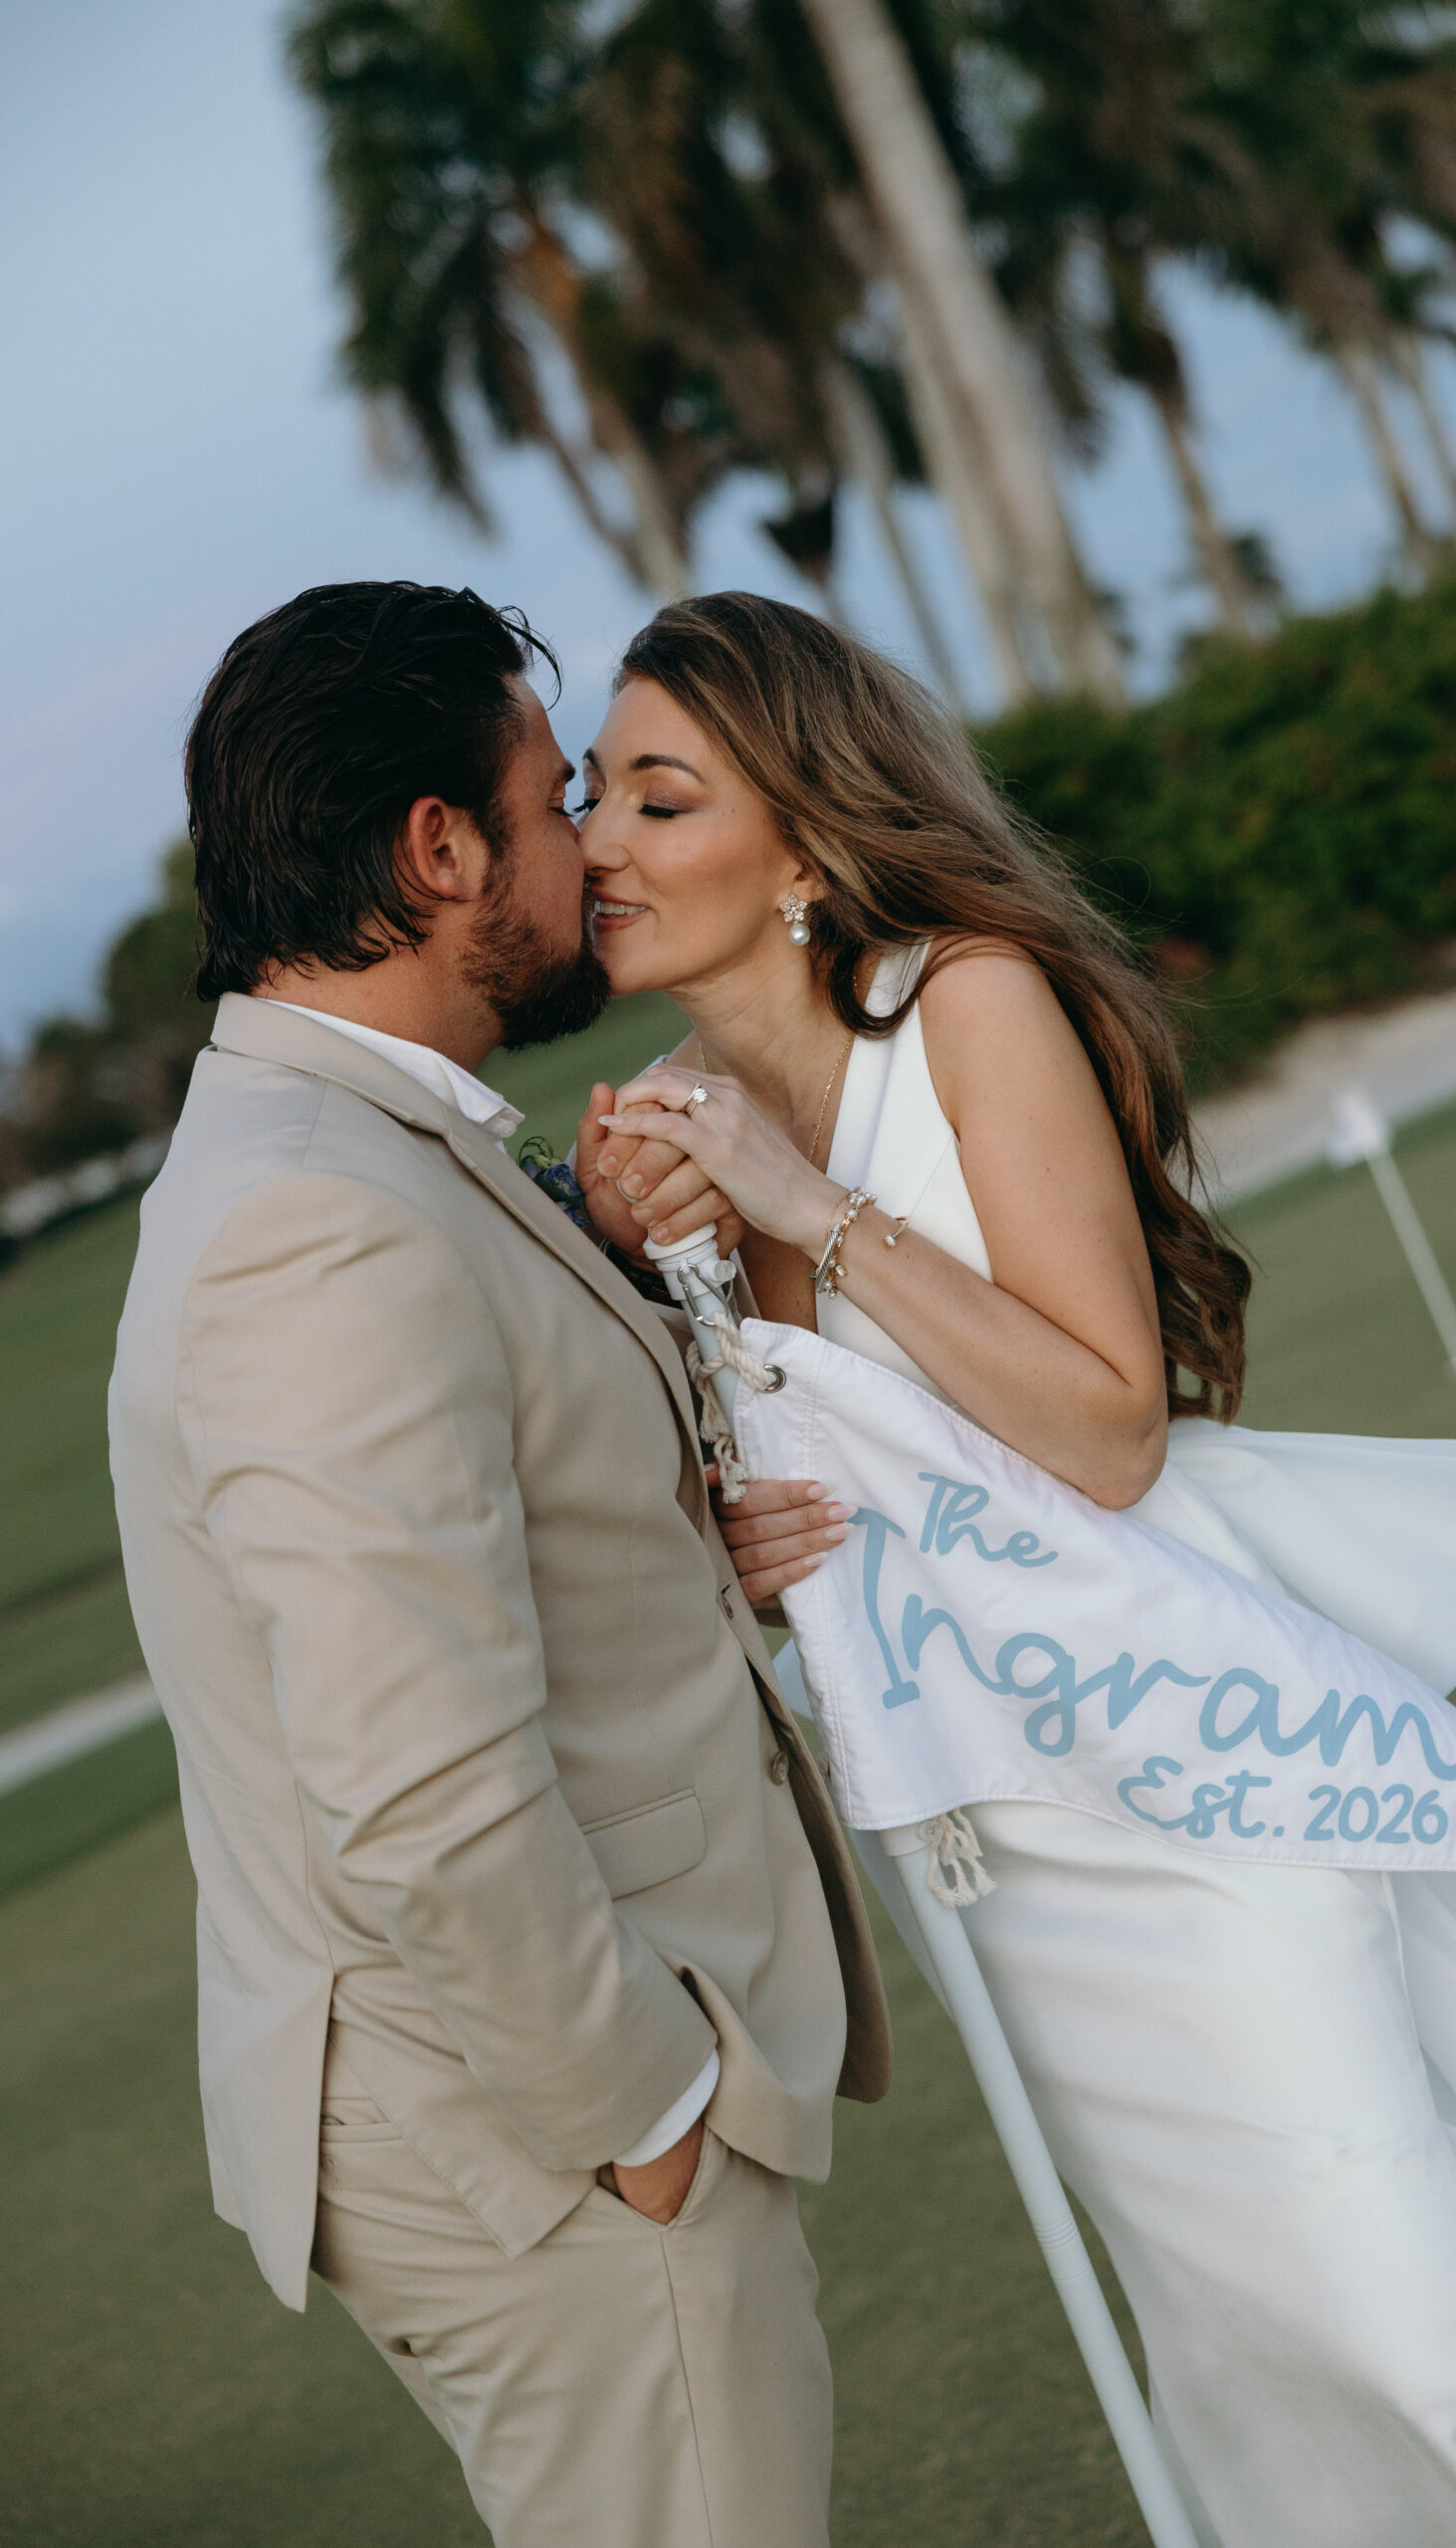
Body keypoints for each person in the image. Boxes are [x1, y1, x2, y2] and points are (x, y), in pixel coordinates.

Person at [572, 588, 1456, 2548]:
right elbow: (744, 1536)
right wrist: (728, 1526)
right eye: (592, 794)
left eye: (659, 798)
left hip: (1195, 1769)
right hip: (992, 1853)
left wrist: (810, 1210)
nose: (597, 839)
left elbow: (1101, 1425)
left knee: (1409, 2321)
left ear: (804, 843)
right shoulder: (648, 1150)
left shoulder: (965, 1002)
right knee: (1250, 2339)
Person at [107, 580, 890, 2548]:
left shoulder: (357, 1150)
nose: (593, 845)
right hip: (527, 2121)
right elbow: (418, 1774)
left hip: (496, 2096)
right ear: (436, 851)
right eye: (558, 800)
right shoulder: (320, 1218)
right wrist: (642, 2114)